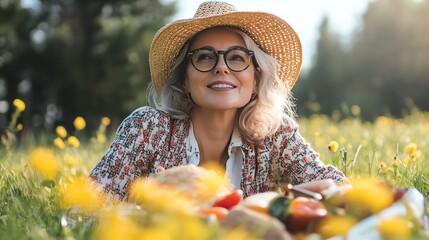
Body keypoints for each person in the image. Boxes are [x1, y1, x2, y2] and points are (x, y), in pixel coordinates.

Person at [89, 1, 349, 201]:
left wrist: (276, 205)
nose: (222, 67)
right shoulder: (148, 129)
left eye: (237, 57)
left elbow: (336, 188)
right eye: (204, 57)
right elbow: (85, 209)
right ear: (184, 80)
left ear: (256, 79)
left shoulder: (276, 136)